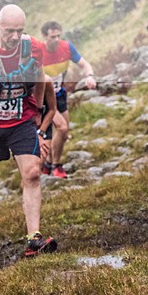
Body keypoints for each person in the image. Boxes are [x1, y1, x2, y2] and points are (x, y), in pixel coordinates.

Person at [0, 4, 57, 256]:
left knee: (32, 173)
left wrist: (37, 110)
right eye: (9, 31)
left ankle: (33, 240)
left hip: (20, 121)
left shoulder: (33, 47)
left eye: (20, 30)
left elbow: (40, 76)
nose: (15, 36)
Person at [40, 21, 97, 179]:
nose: (56, 39)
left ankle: (48, 164)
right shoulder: (38, 52)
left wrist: (90, 76)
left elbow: (85, 64)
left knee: (64, 133)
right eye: (52, 37)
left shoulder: (67, 47)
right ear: (44, 37)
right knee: (62, 128)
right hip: (43, 97)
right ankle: (56, 166)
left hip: (59, 94)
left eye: (58, 36)